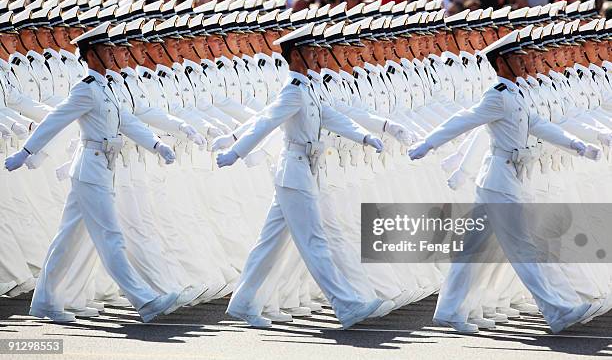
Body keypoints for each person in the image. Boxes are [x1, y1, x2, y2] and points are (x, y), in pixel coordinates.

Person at [408, 30, 604, 334]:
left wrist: (577, 145)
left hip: (504, 179)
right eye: (518, 58)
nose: (526, 62)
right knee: (524, 246)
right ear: (502, 62)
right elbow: (464, 119)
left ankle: (448, 310)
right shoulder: (498, 95)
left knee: (472, 251)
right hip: (500, 180)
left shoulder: (515, 93)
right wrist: (427, 144)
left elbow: (538, 125)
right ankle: (558, 310)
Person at [3, 21, 198, 323]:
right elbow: (55, 120)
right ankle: (145, 300)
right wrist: (26, 152)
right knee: (111, 236)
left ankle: (44, 302)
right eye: (105, 49)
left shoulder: (106, 87)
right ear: (91, 54)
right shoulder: (86, 89)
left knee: (68, 240)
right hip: (91, 169)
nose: (112, 53)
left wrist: (156, 144)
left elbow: (126, 121)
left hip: (103, 168)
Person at [216, 23, 393, 329]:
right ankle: (347, 305)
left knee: (268, 243)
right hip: (295, 172)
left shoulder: (308, 87)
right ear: (296, 55)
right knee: (314, 241)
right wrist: (236, 152)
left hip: (302, 172)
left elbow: (330, 116)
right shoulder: (293, 90)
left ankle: (244, 302)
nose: (316, 55)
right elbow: (266, 122)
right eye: (310, 50)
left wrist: (364, 136)